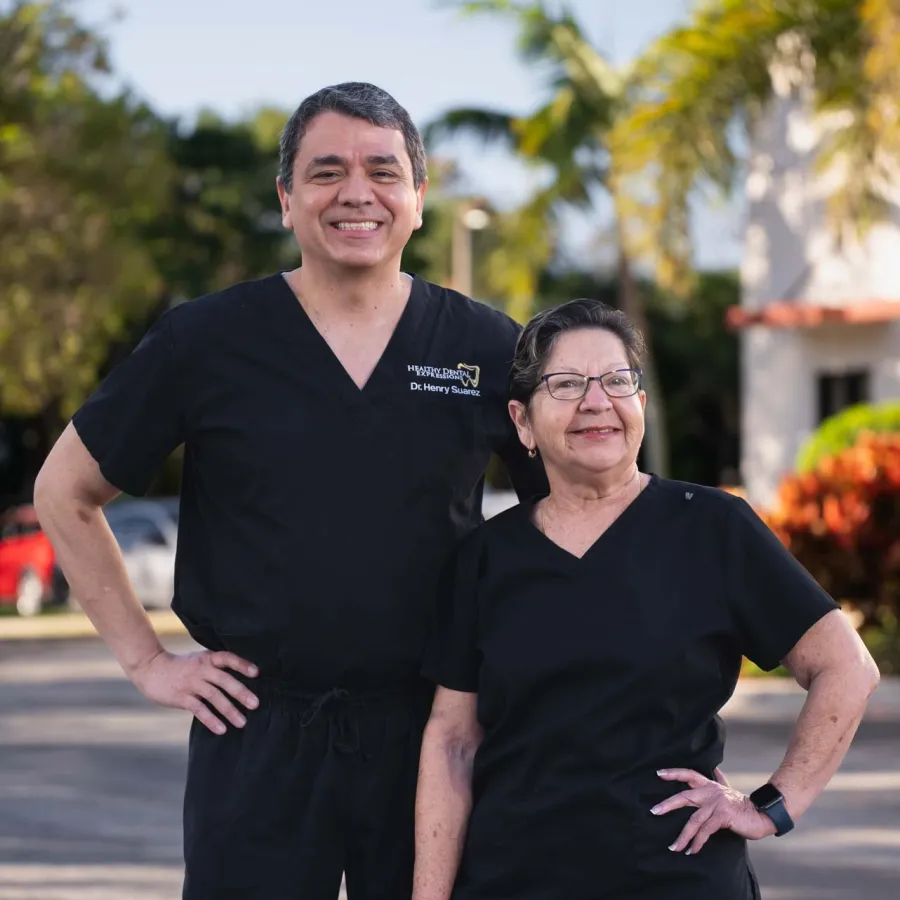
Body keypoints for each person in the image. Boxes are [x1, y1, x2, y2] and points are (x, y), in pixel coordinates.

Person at [33, 82, 545, 900]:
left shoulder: (485, 346)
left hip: (432, 734)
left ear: (419, 199)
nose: (356, 193)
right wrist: (146, 661)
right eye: (326, 171)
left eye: (383, 171)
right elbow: (64, 489)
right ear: (286, 198)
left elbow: (568, 519)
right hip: (256, 730)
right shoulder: (206, 341)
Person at [413, 298, 881, 900]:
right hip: (514, 880)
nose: (596, 401)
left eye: (617, 380)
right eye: (565, 384)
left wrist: (771, 805)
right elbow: (452, 744)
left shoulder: (715, 528)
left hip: (678, 879)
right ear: (522, 422)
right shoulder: (486, 557)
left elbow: (846, 667)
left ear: (640, 403)